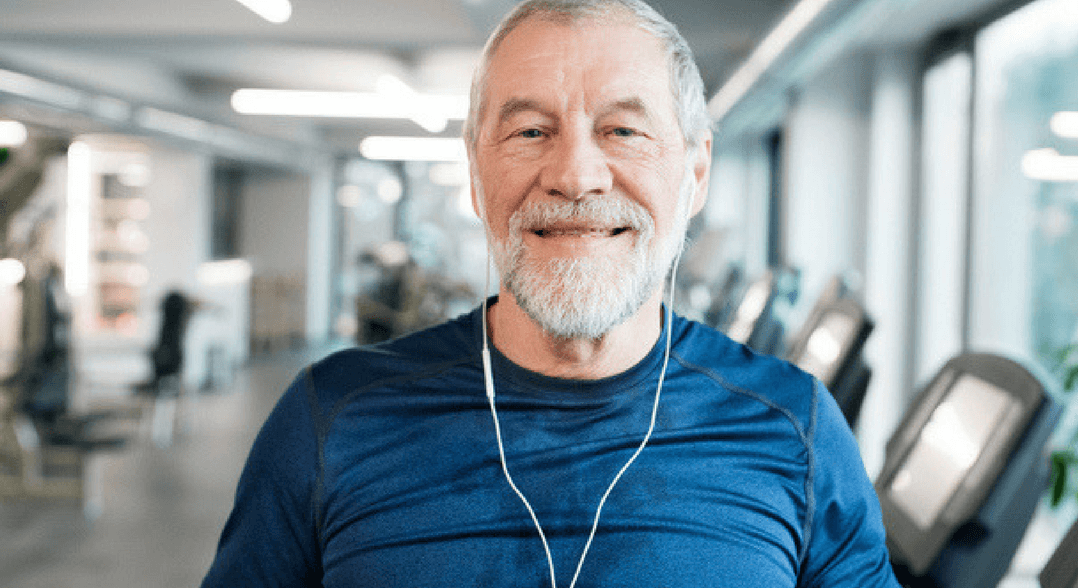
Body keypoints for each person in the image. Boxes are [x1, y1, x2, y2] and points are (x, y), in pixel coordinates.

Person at [202, 1, 901, 586]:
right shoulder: (329, 423)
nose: (574, 175)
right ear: (477, 174)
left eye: (623, 130)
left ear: (695, 173)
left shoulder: (794, 429)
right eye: (530, 131)